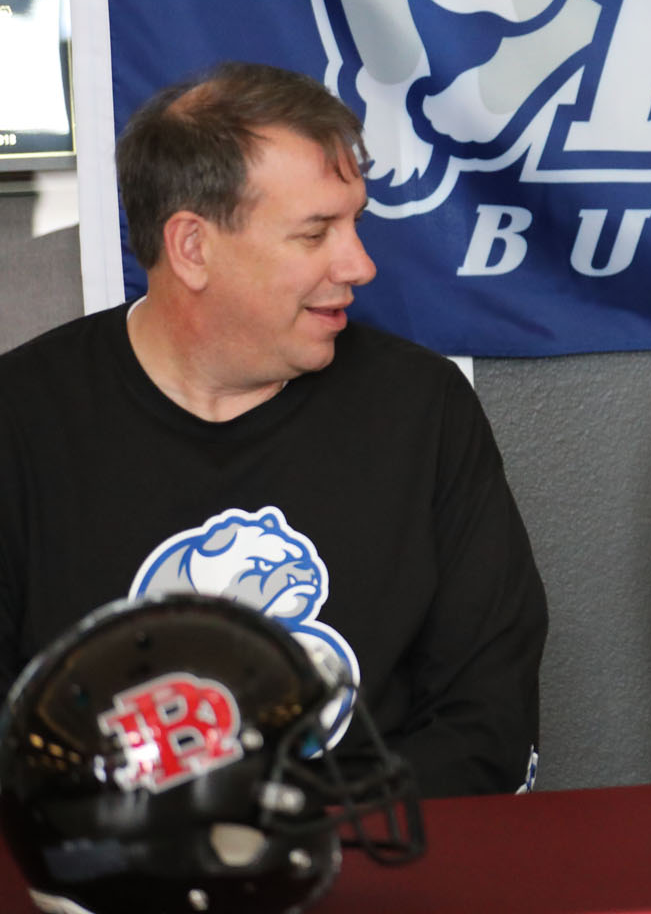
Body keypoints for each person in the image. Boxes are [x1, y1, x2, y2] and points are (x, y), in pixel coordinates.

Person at [0, 62, 548, 796]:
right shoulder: (22, 420)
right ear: (192, 247)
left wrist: (290, 837)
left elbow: (490, 721)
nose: (360, 263)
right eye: (315, 232)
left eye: (355, 221)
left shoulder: (422, 408)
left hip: (371, 870)